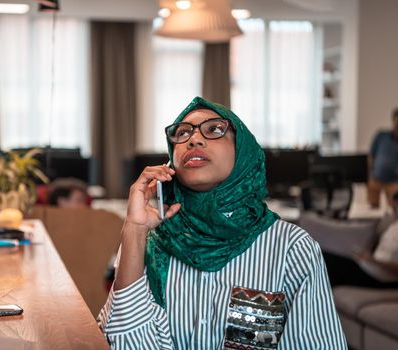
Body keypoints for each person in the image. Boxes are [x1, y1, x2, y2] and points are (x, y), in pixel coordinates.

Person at [98, 97, 347, 349]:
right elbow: (123, 343)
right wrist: (134, 229)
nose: (193, 139)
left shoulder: (292, 249)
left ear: (242, 152)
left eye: (215, 129)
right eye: (182, 133)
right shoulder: (146, 243)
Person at [367, 108, 398, 208]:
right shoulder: (381, 136)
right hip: (376, 179)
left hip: (394, 182)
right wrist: (370, 173)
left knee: (395, 208)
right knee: (372, 207)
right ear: (393, 120)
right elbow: (371, 155)